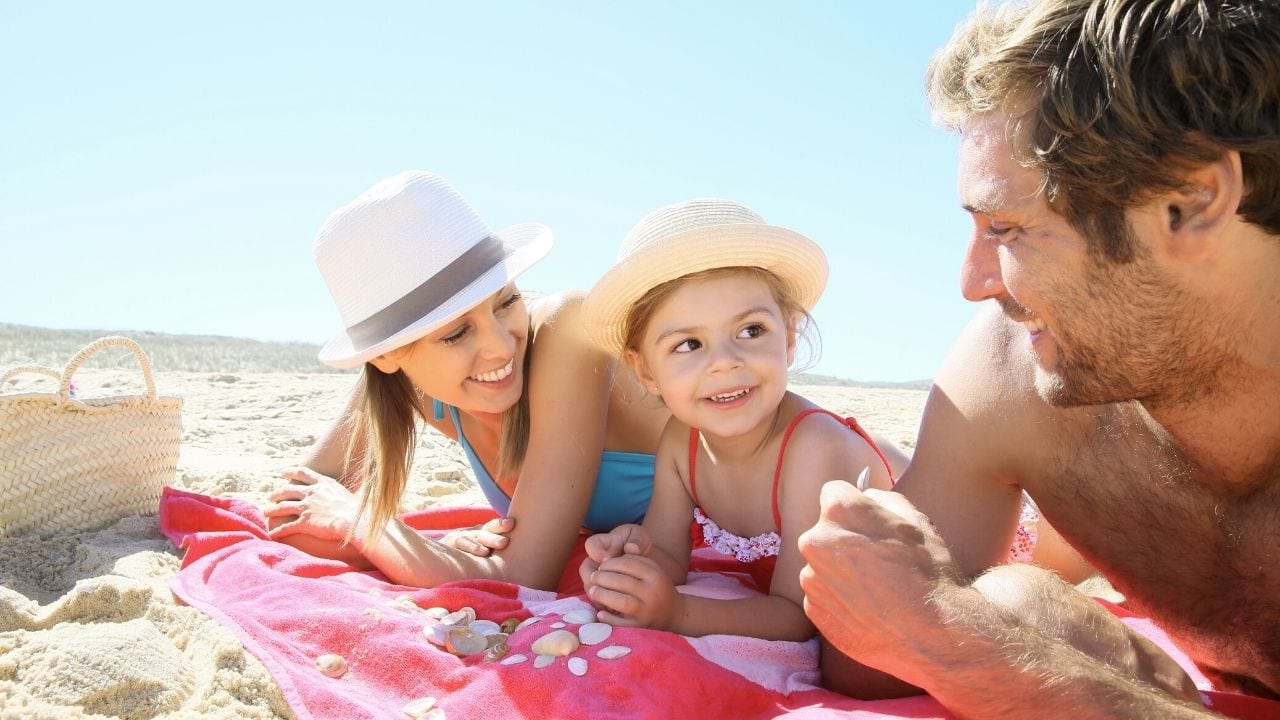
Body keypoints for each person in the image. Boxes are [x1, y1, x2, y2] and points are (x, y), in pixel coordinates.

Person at [797, 0, 1280, 717]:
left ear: (1192, 200)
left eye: (1009, 229)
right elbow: (868, 661)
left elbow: (926, 633)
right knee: (1015, 598)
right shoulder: (1008, 380)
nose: (973, 283)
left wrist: (959, 640)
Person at [264, 170, 671, 590]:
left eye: (507, 301)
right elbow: (290, 517)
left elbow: (525, 577)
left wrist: (368, 524)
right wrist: (433, 551)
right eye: (456, 333)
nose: (500, 346)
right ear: (386, 355)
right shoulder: (404, 386)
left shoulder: (564, 328)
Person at [575, 198, 901, 652]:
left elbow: (799, 614)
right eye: (689, 344)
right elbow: (670, 559)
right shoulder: (680, 440)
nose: (726, 362)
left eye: (751, 331)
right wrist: (634, 561)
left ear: (787, 340)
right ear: (645, 371)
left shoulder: (814, 449)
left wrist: (677, 613)